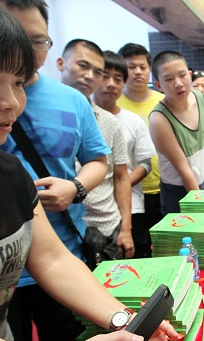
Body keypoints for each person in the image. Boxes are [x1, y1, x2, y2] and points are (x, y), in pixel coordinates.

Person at [0, 4, 183, 341]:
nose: (10, 102)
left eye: (19, 82)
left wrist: (123, 320)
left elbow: (53, 259)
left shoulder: (9, 174)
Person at [0, 0, 110, 341]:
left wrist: (74, 187)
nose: (10, 103)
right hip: (1, 280)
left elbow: (99, 161)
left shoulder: (72, 101)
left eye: (36, 40)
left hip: (63, 250)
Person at [57, 39, 134, 262]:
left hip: (106, 228)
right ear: (61, 63)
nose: (90, 76)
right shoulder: (40, 115)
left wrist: (125, 229)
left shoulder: (110, 123)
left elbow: (121, 178)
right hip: (61, 230)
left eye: (97, 72)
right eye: (83, 66)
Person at [93, 50, 157, 259]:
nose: (111, 84)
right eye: (105, 76)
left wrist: (120, 183)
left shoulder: (132, 121)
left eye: (118, 79)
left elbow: (145, 163)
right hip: (91, 212)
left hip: (132, 206)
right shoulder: (82, 116)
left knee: (135, 258)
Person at [148, 51, 204, 214]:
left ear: (190, 75)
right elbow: (184, 169)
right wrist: (200, 206)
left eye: (182, 76)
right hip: (178, 192)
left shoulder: (201, 98)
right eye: (169, 79)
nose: (178, 83)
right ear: (158, 85)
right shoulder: (159, 119)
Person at [117, 43, 165, 255]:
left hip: (163, 186)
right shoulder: (114, 103)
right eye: (131, 66)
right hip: (129, 192)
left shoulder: (163, 101)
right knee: (138, 249)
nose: (137, 71)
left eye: (142, 67)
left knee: (166, 247)